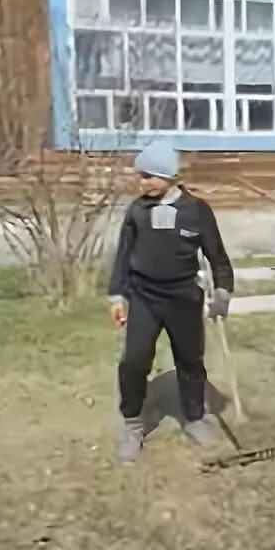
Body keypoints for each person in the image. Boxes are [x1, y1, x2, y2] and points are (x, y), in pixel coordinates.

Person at [108, 140, 234, 463]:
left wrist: (222, 293)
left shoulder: (196, 210)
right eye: (140, 176)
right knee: (134, 360)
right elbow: (123, 257)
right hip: (144, 297)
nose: (142, 183)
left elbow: (217, 257)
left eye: (149, 176)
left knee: (191, 361)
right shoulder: (137, 211)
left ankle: (194, 417)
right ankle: (133, 423)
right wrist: (117, 295)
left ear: (169, 176)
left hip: (184, 298)